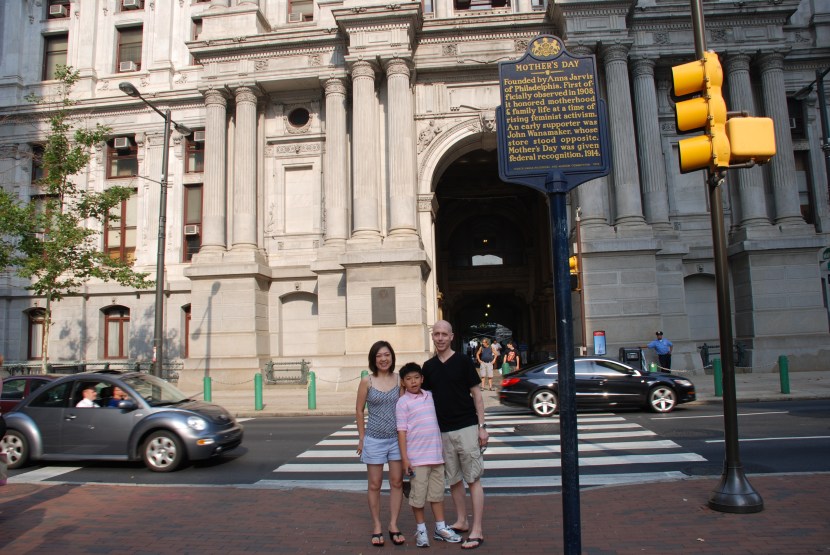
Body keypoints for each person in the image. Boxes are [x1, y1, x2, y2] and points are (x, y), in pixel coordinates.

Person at [422, 320, 487, 550]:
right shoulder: (427, 367)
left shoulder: (463, 361)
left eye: (444, 334)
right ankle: (462, 520)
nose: (440, 338)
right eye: (436, 334)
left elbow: (477, 395)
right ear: (433, 337)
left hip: (467, 426)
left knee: (473, 479)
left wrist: (482, 426)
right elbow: (423, 399)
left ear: (451, 336)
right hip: (442, 431)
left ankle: (477, 529)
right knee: (455, 480)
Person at [396, 362, 462, 548]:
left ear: (422, 379)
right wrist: (405, 459)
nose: (413, 382)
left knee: (437, 495)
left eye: (416, 377)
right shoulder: (402, 403)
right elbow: (401, 431)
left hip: (436, 457)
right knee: (418, 497)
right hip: (417, 459)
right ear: (403, 382)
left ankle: (440, 528)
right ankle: (422, 530)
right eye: (408, 379)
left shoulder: (430, 397)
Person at [356, 340, 405, 547]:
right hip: (374, 439)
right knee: (374, 484)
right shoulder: (367, 381)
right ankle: (377, 526)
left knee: (396, 483)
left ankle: (393, 525)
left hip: (396, 440)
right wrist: (362, 436)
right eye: (379, 356)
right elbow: (359, 410)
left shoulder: (399, 379)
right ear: (373, 359)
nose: (383, 359)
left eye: (386, 355)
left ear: (392, 357)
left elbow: (404, 409)